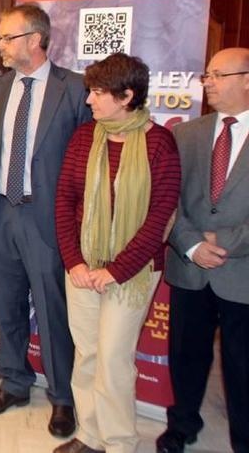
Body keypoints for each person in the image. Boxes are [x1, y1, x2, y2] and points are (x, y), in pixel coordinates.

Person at [54, 53, 181, 453]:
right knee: (87, 353)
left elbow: (161, 217)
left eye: (97, 92)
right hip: (82, 269)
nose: (89, 100)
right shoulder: (82, 139)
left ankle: (120, 443)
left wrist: (116, 270)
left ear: (126, 95)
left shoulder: (160, 144)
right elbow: (64, 203)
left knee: (112, 358)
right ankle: (90, 436)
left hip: (134, 273)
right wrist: (74, 260)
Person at [0, 3, 92, 437]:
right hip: (3, 212)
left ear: (34, 39)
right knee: (6, 305)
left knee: (52, 309)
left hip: (49, 220)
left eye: (6, 37)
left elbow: (85, 162)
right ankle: (14, 380)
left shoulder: (76, 89)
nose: (0, 45)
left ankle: (62, 397)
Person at [159, 47, 249, 453]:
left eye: (217, 75)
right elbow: (166, 200)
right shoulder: (186, 134)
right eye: (206, 75)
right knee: (185, 355)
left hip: (241, 274)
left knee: (242, 366)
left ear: (247, 79)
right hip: (189, 267)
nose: (206, 82)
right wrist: (191, 243)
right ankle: (182, 424)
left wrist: (225, 243)